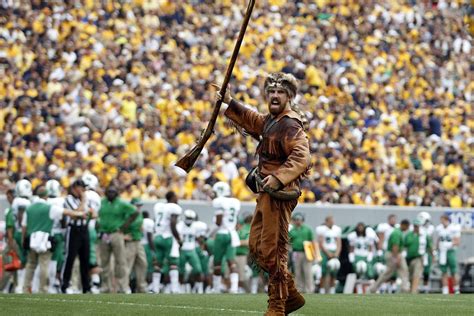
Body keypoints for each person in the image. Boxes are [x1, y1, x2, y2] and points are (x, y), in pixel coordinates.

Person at [216, 72, 311, 315]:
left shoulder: (290, 124)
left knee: (273, 248)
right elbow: (253, 119)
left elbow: (302, 156)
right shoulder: (272, 120)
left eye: (280, 92)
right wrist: (230, 102)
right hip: (266, 192)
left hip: (279, 194)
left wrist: (278, 178)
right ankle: (290, 295)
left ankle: (277, 306)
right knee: (258, 246)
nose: (275, 95)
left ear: (289, 96)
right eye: (271, 92)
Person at [21, 184, 85, 293]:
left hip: (32, 239)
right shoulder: (49, 207)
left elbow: (24, 227)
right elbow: (68, 213)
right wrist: (81, 213)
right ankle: (42, 289)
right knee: (44, 265)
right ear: (46, 196)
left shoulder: (29, 208)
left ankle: (25, 288)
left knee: (30, 265)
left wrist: (24, 241)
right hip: (44, 240)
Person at [97, 184, 138, 293]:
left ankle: (123, 286)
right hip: (104, 234)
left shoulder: (121, 203)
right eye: (109, 191)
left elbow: (135, 212)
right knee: (104, 262)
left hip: (116, 233)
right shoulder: (102, 202)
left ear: (116, 193)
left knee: (121, 261)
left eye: (113, 192)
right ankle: (106, 286)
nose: (111, 194)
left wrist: (124, 226)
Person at [61, 179, 93, 294]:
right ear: (75, 188)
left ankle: (86, 287)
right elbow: (75, 212)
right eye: (81, 188)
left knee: (85, 258)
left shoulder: (84, 199)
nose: (83, 190)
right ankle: (65, 284)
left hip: (84, 229)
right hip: (73, 230)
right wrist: (83, 203)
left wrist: (87, 212)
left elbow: (91, 214)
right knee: (70, 257)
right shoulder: (69, 199)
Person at [211, 181, 241, 294]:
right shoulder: (235, 202)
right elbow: (237, 221)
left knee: (217, 262)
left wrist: (210, 233)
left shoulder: (219, 201)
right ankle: (234, 288)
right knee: (231, 261)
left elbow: (218, 222)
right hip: (232, 234)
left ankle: (216, 288)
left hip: (222, 233)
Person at [150, 191, 182, 294]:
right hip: (168, 237)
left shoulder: (159, 206)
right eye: (176, 196)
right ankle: (174, 288)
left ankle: (155, 288)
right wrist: (178, 239)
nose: (177, 199)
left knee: (157, 264)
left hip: (158, 236)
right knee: (173, 263)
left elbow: (156, 221)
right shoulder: (173, 207)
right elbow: (173, 224)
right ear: (172, 197)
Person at [369, 219, 410, 293]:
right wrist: (396, 258)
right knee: (393, 272)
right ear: (404, 225)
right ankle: (373, 288)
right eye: (407, 226)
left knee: (400, 271)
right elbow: (395, 246)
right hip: (394, 254)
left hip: (394, 254)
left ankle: (405, 288)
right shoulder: (397, 233)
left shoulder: (397, 232)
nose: (407, 229)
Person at [11, 179, 33, 293]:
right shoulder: (22, 202)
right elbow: (21, 219)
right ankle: (20, 285)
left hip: (18, 231)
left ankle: (21, 285)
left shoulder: (17, 200)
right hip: (22, 231)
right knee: (25, 259)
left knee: (23, 258)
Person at [82, 173, 102, 294]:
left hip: (83, 228)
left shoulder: (83, 194)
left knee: (84, 258)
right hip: (92, 228)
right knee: (92, 255)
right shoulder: (97, 197)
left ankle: (94, 283)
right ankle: (94, 282)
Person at [123, 198, 148, 293]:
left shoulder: (139, 214)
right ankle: (124, 287)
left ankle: (141, 287)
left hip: (138, 241)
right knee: (127, 265)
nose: (139, 207)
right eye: (137, 205)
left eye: (140, 205)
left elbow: (141, 227)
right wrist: (123, 236)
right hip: (130, 242)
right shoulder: (127, 215)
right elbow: (120, 226)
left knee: (143, 263)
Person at [45, 179, 65, 294]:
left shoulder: (44, 201)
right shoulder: (61, 201)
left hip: (46, 232)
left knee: (44, 260)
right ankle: (53, 283)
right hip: (57, 232)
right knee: (55, 260)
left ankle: (47, 283)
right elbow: (63, 218)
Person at [177, 209, 204, 293]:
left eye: (191, 218)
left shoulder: (195, 226)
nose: (189, 219)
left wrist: (202, 246)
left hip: (192, 250)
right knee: (180, 271)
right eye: (188, 217)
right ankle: (180, 287)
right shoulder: (179, 226)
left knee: (198, 270)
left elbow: (199, 238)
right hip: (182, 250)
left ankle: (199, 288)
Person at [289, 212, 316, 293]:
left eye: (299, 220)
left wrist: (314, 253)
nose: (298, 221)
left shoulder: (307, 229)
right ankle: (299, 289)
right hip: (296, 252)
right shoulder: (292, 230)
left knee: (307, 271)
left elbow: (312, 241)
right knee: (297, 271)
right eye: (296, 220)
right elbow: (288, 242)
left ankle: (309, 289)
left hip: (307, 252)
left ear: (302, 220)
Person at [347, 222, 378, 293]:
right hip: (357, 255)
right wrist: (351, 256)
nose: (360, 229)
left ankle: (371, 288)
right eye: (359, 227)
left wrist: (370, 255)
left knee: (368, 270)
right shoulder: (353, 236)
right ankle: (357, 288)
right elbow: (351, 248)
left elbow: (370, 247)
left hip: (366, 255)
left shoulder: (369, 236)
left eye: (362, 227)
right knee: (358, 269)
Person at [405, 219, 432, 294]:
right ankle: (412, 289)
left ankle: (414, 291)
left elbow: (429, 246)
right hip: (409, 258)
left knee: (416, 274)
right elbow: (405, 245)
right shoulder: (409, 235)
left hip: (419, 257)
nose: (416, 228)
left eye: (417, 226)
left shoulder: (424, 235)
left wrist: (432, 256)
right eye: (415, 226)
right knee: (410, 275)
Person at [436, 214, 461, 294]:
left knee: (454, 271)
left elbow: (457, 241)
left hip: (450, 251)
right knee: (443, 271)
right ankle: (445, 290)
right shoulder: (439, 228)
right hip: (442, 252)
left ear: (447, 220)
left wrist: (448, 244)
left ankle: (456, 289)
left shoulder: (453, 228)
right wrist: (437, 250)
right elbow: (438, 240)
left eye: (442, 220)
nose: (441, 222)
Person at [316, 216, 342, 294]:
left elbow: (339, 243)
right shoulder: (321, 229)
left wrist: (336, 253)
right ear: (326, 221)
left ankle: (332, 289)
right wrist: (328, 253)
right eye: (330, 221)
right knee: (323, 272)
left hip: (334, 252)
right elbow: (321, 243)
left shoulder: (337, 229)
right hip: (325, 252)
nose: (332, 222)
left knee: (334, 271)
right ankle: (322, 290)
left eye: (332, 220)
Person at [417, 211, 435, 293]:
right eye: (426, 221)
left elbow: (431, 242)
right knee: (417, 270)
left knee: (427, 271)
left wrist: (433, 253)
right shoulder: (417, 228)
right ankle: (416, 287)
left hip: (426, 252)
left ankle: (425, 288)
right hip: (418, 252)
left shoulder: (430, 228)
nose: (427, 223)